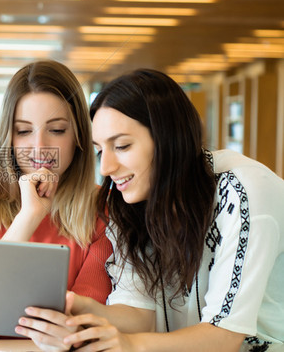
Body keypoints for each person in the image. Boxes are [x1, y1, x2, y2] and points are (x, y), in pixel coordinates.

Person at [16, 68, 284, 352]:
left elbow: (223, 338)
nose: (106, 167)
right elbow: (140, 315)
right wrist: (81, 310)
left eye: (121, 146)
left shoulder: (242, 191)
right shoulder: (131, 203)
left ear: (168, 138)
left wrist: (127, 345)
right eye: (99, 150)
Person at [0, 60, 113, 341]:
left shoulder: (104, 210)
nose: (40, 147)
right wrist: (27, 219)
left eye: (56, 130)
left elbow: (80, 327)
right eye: (23, 131)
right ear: (9, 137)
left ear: (79, 136)